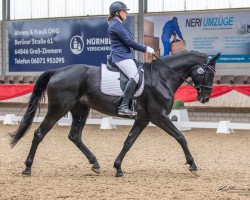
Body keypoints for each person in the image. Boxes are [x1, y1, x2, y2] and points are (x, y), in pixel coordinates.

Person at [107, 1, 154, 116]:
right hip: (121, 56)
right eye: (124, 11)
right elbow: (128, 42)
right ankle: (123, 106)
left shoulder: (119, 24)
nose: (126, 13)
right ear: (117, 13)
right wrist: (145, 48)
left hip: (126, 56)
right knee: (135, 77)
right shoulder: (115, 25)